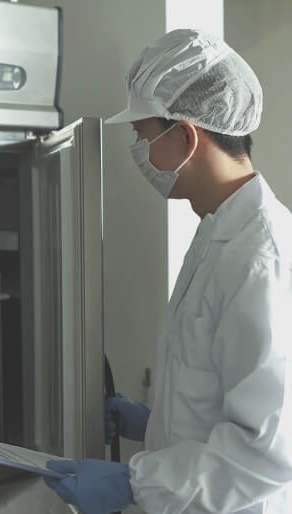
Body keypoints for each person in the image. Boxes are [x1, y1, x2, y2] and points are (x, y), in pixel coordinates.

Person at [43, 28, 292, 514]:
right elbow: (225, 389)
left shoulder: (258, 257)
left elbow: (270, 452)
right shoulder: (217, 231)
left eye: (141, 134)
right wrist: (154, 422)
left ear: (185, 135)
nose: (137, 150)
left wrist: (134, 483)